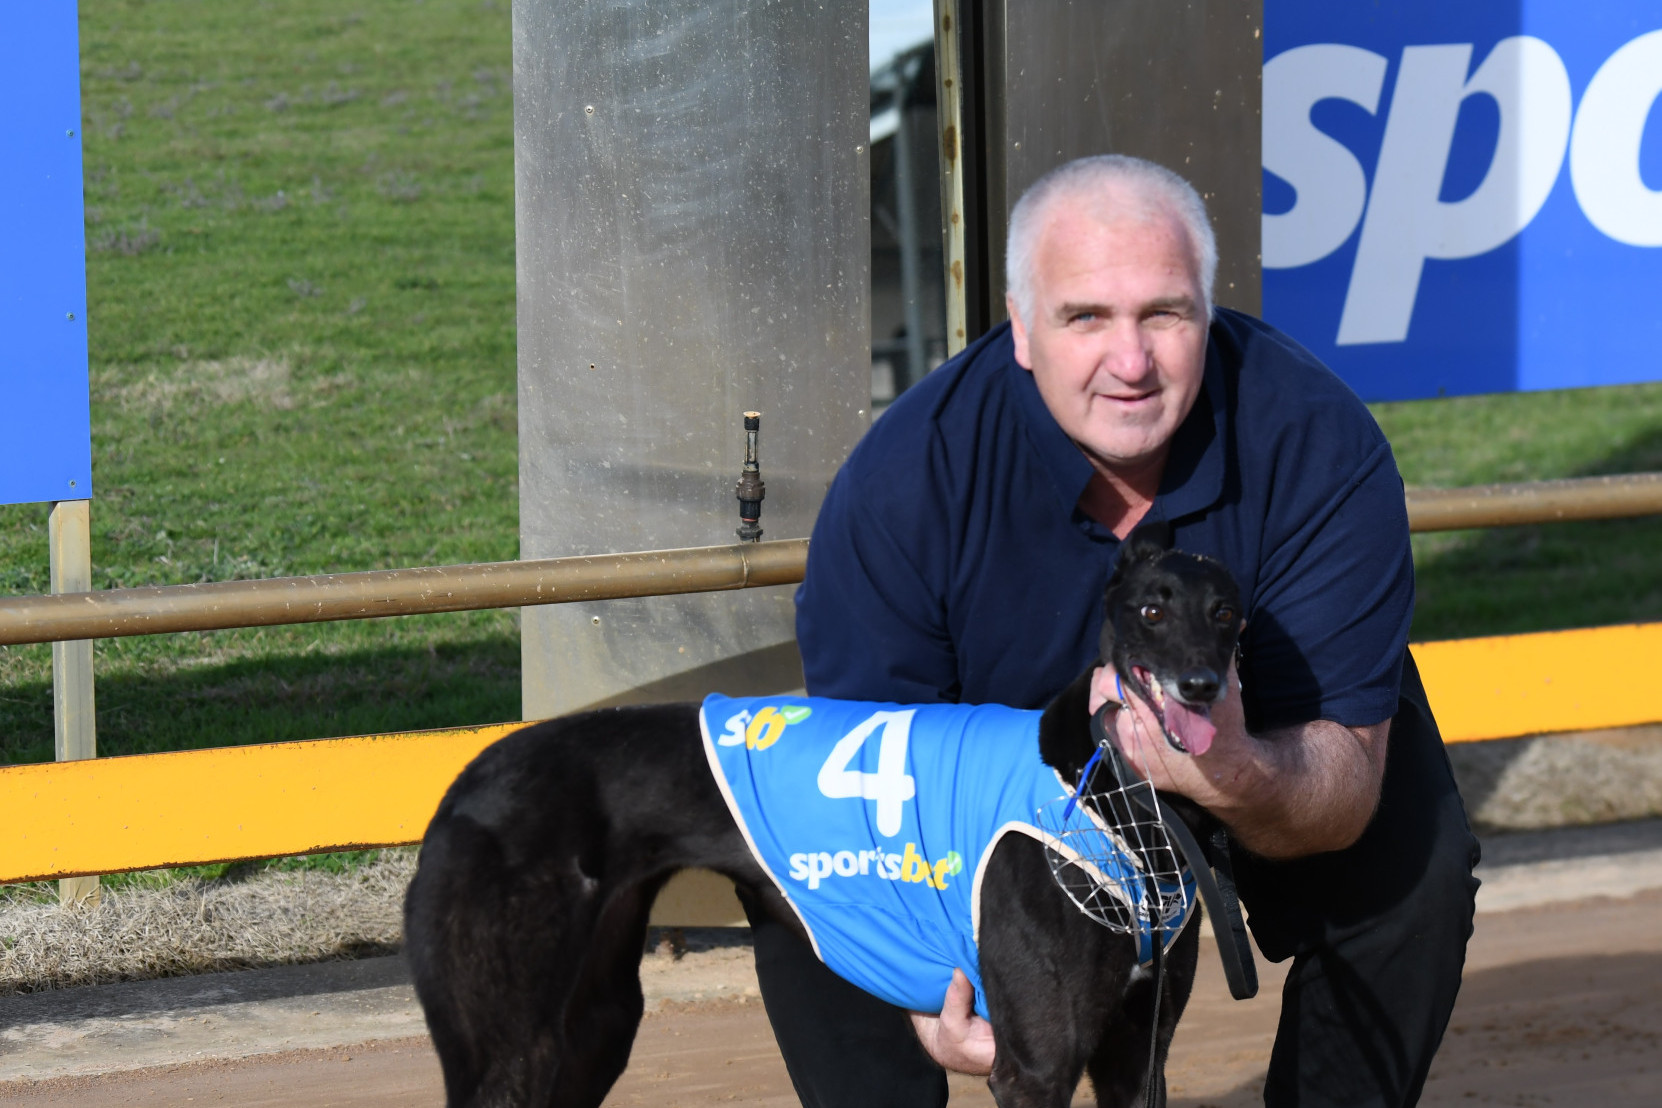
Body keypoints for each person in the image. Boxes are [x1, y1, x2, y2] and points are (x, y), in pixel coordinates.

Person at [745, 154, 1480, 1108]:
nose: (1130, 363)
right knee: (802, 888)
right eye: (1085, 316)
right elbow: (860, 798)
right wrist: (924, 978)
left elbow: (1343, 783)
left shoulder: (1317, 445)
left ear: (1207, 312)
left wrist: (1233, 768)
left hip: (1243, 736)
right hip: (983, 788)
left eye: (1164, 315)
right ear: (1020, 327)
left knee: (1415, 866)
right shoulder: (904, 486)